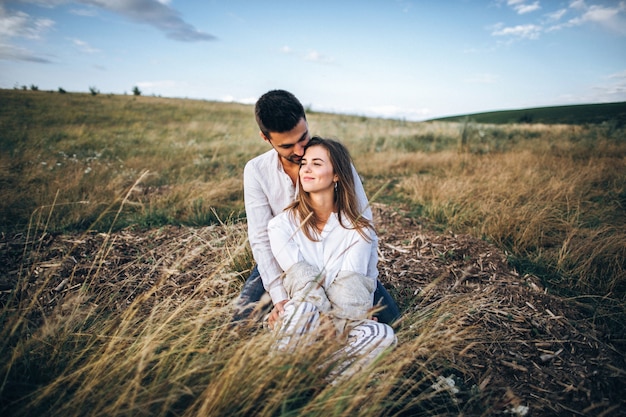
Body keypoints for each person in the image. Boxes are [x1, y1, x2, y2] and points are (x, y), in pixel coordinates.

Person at [233, 89, 399, 326]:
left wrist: (366, 291)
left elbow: (365, 226)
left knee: (392, 323)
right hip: (288, 263)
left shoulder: (335, 162)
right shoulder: (257, 171)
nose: (300, 152)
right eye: (288, 146)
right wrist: (280, 297)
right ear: (266, 138)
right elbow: (260, 238)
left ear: (306, 122)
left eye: (303, 138)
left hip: (339, 260)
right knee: (240, 321)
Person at [267, 137, 396, 379]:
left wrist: (338, 326)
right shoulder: (281, 225)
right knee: (301, 310)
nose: (306, 168)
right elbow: (303, 282)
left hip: (347, 321)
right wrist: (326, 322)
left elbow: (352, 289)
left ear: (336, 175)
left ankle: (323, 380)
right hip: (307, 316)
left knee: (383, 334)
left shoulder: (358, 230)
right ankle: (281, 381)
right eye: (304, 163)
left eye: (316, 163)